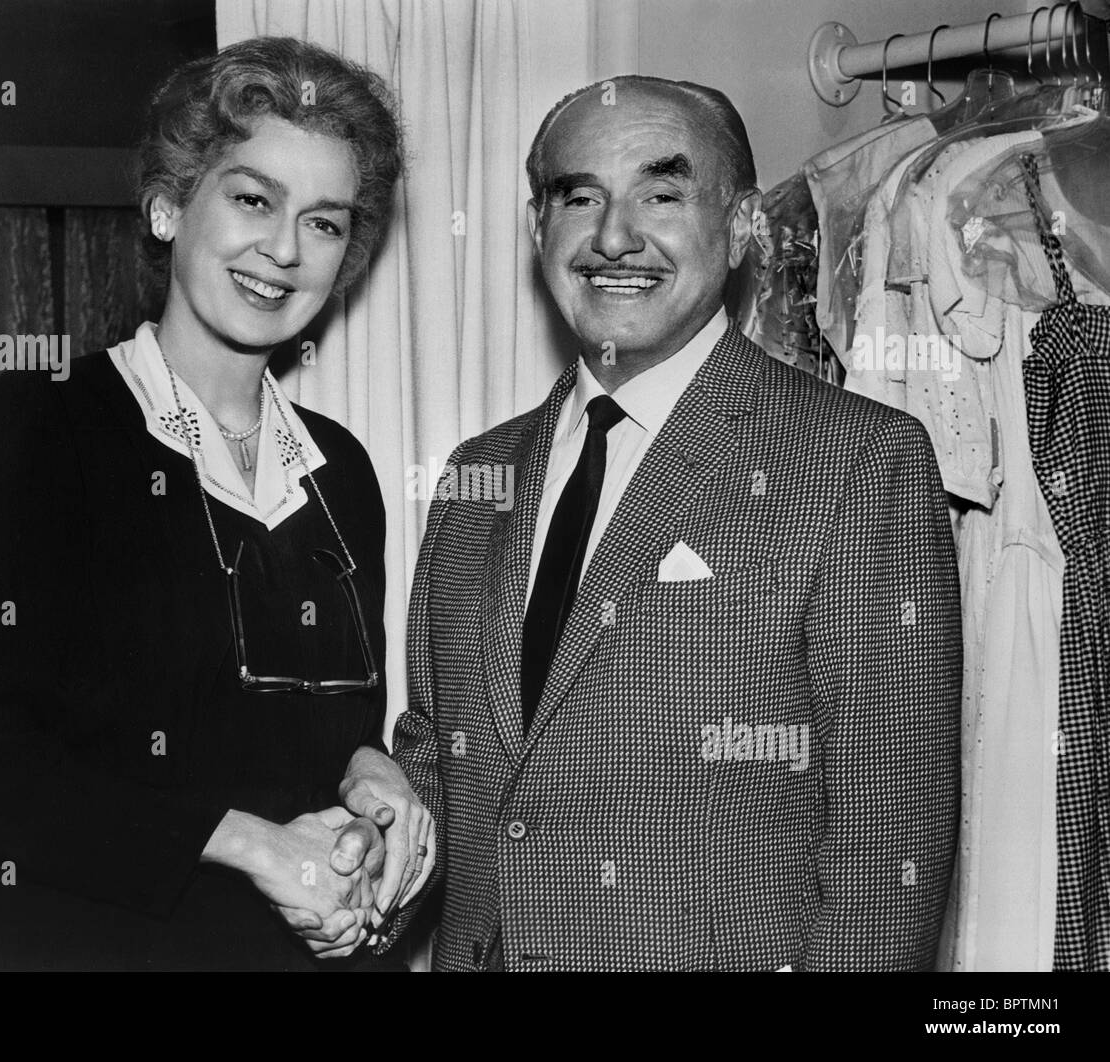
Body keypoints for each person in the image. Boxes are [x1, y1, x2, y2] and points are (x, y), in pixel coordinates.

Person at [343, 75, 963, 970]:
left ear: (745, 224)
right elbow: (459, 765)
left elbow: (888, 856)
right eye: (579, 196)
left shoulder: (859, 466)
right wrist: (380, 824)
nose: (613, 237)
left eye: (662, 194)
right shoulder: (477, 476)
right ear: (536, 230)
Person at [0, 36, 429, 971]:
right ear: (167, 206)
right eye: (251, 199)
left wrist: (370, 777)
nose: (283, 250)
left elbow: (330, 733)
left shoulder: (342, 474)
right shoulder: (45, 429)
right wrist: (251, 842)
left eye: (323, 222)